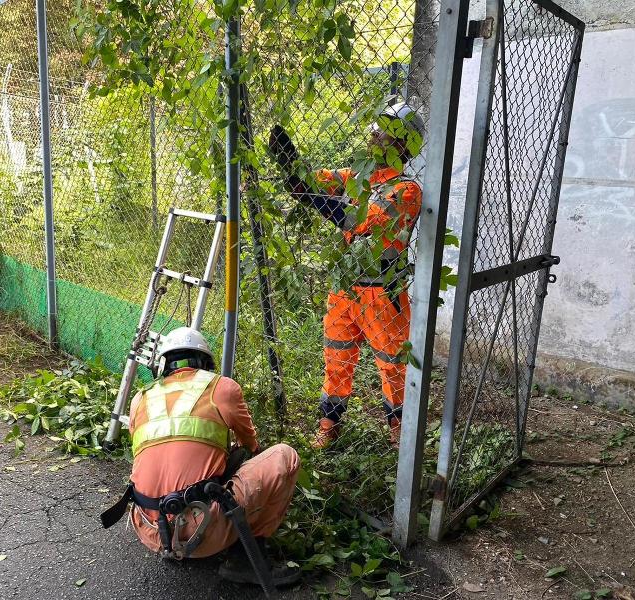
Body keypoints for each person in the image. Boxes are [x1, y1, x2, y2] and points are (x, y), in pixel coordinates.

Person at [268, 102, 424, 449]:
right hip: (345, 291)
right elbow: (311, 184)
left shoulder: (406, 190)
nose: (373, 133)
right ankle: (329, 426)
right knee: (336, 359)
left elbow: (361, 222)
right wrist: (292, 166)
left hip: (385, 293)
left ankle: (400, 435)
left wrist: (316, 200)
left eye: (383, 128)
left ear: (402, 144)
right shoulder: (358, 176)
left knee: (393, 368)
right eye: (375, 125)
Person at [100, 326, 301, 589]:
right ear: (206, 363)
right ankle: (246, 560)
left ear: (164, 364)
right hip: (204, 529)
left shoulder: (141, 397)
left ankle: (172, 539)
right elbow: (250, 444)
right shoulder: (222, 388)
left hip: (148, 528)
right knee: (284, 456)